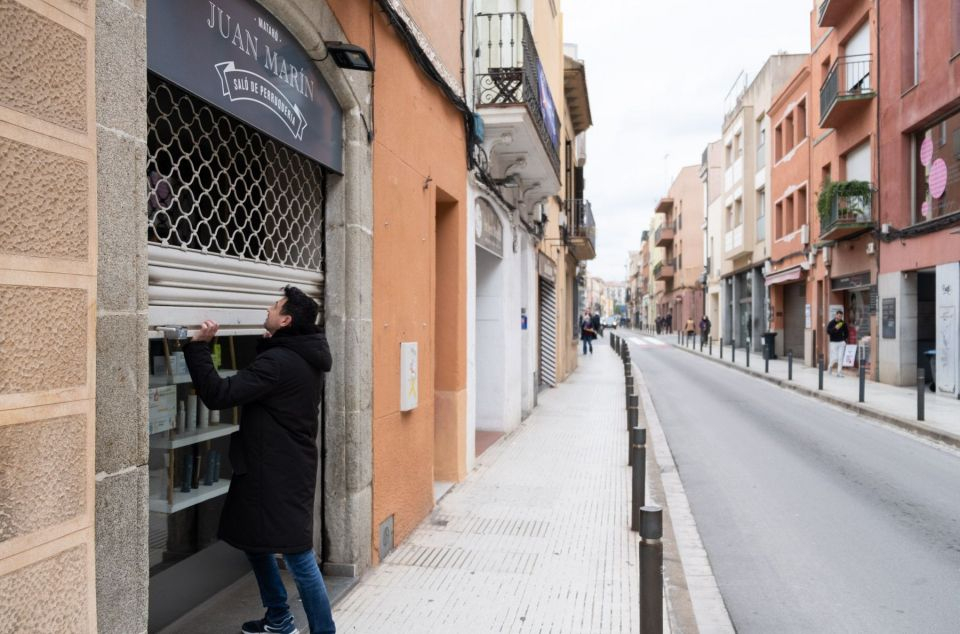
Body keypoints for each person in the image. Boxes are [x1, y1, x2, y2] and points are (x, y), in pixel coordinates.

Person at [183, 286, 335, 634]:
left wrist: (199, 347)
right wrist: (269, 344)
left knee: (298, 557)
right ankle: (279, 617)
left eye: (274, 305)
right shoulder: (300, 356)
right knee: (255, 541)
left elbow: (219, 395)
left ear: (286, 319)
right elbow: (273, 390)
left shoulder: (279, 361)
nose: (267, 308)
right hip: (275, 466)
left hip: (277, 474)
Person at [826, 309, 849, 378]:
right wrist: (835, 328)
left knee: (840, 357)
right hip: (833, 342)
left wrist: (844, 340)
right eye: (839, 316)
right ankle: (830, 366)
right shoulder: (831, 323)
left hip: (841, 342)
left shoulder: (843, 323)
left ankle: (839, 372)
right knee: (835, 357)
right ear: (836, 315)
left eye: (841, 316)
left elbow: (846, 332)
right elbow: (828, 332)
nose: (840, 317)